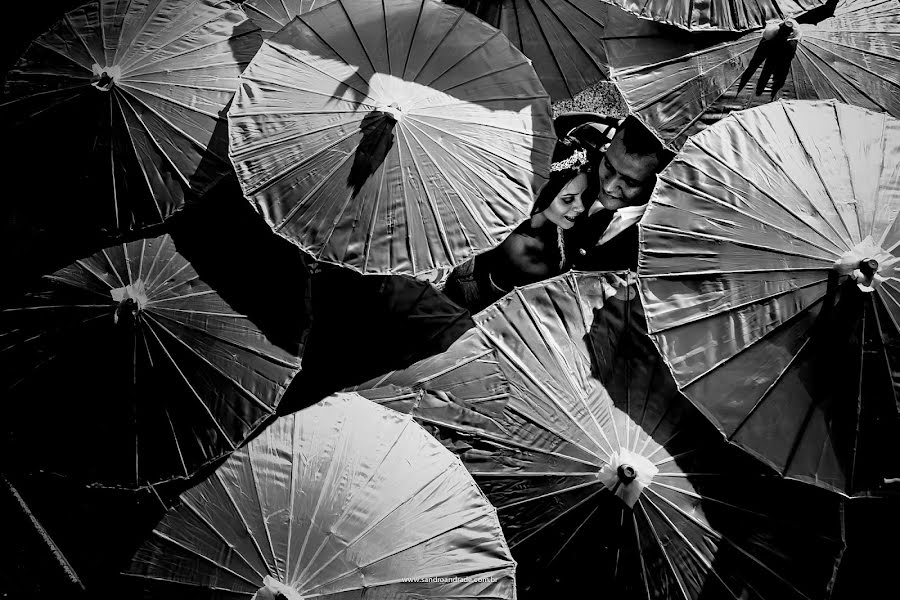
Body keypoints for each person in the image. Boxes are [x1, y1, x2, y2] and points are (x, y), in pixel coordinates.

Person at [442, 136, 592, 313]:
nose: (581, 207)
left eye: (583, 195)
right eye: (568, 199)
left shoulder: (548, 222)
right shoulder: (523, 253)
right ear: (542, 192)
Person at [567, 115, 674, 272]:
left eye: (630, 182)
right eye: (608, 166)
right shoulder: (581, 156)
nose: (609, 187)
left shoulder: (660, 240)